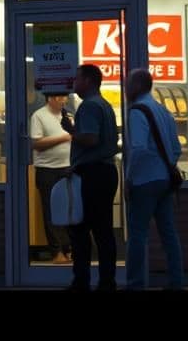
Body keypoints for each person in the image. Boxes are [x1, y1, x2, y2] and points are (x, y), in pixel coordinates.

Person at [123, 70, 184, 291]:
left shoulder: (137, 112)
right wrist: (164, 164)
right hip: (165, 180)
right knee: (169, 233)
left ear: (137, 86)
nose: (125, 88)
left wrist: (129, 178)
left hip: (144, 180)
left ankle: (134, 283)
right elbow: (177, 149)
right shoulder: (163, 110)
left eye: (127, 84)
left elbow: (137, 149)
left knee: (138, 234)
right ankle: (176, 282)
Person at [67, 63, 119, 291]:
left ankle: (82, 281)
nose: (74, 83)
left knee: (80, 229)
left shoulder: (88, 106)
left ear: (88, 81)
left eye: (77, 79)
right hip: (106, 172)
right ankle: (107, 281)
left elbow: (90, 139)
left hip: (92, 174)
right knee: (104, 230)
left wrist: (70, 130)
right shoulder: (106, 105)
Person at [29, 91, 73, 262]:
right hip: (47, 170)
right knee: (51, 211)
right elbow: (37, 144)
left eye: (64, 97)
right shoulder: (39, 116)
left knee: (69, 209)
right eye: (60, 97)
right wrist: (64, 138)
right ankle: (56, 252)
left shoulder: (67, 116)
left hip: (68, 168)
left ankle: (68, 248)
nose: (63, 100)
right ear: (50, 98)